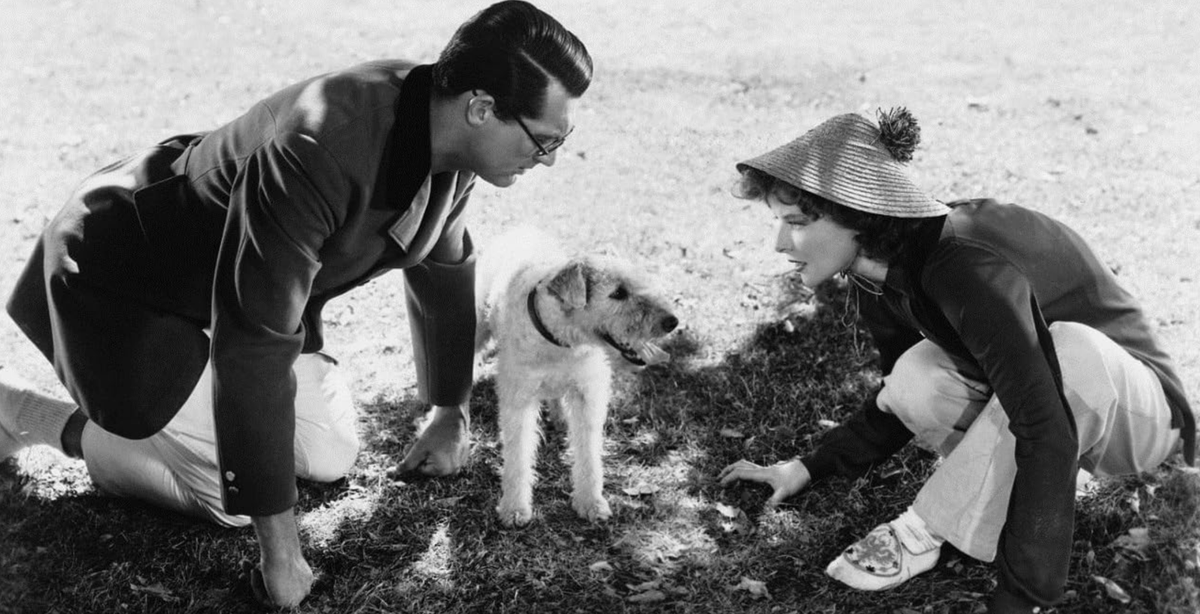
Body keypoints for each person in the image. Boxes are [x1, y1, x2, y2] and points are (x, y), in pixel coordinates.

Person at [0, 0, 591, 607]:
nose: (547, 159)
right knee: (231, 499)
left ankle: (187, 418)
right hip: (128, 278)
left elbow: (445, 260)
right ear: (482, 108)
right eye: (544, 141)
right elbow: (253, 346)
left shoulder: (449, 130)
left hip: (227, 299)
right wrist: (280, 556)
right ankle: (23, 413)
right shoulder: (320, 147)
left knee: (328, 456)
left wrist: (450, 410)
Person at [717, 108, 1195, 613]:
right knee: (914, 377)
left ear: (857, 214)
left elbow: (1044, 423)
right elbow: (897, 395)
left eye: (795, 223)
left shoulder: (966, 267)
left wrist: (1019, 600)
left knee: (1070, 350)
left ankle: (923, 531)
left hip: (1140, 415)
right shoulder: (873, 268)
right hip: (1050, 404)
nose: (778, 244)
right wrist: (808, 468)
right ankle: (1016, 487)